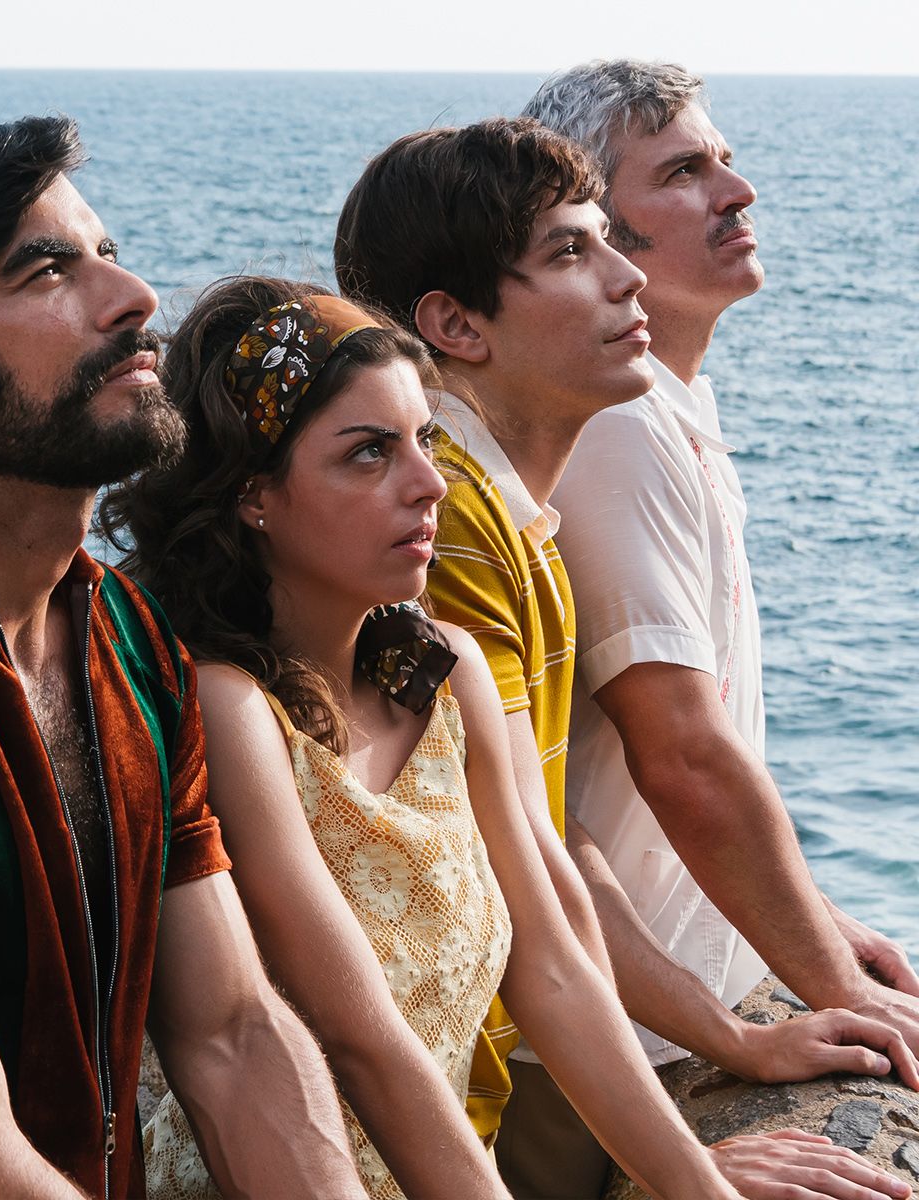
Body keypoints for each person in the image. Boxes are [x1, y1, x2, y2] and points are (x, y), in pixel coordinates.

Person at [0, 115, 366, 1200]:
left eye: (108, 251)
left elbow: (233, 1033)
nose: (133, 297)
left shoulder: (128, 638)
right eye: (48, 270)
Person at [335, 115, 917, 1200]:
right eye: (571, 250)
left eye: (609, 237)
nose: (626, 274)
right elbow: (536, 874)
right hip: (443, 1095)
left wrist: (751, 1026)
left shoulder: (515, 519)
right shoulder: (446, 531)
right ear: (454, 323)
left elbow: (557, 834)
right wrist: (715, 1106)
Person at [103, 274, 746, 1200]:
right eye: (369, 453)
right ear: (252, 494)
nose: (429, 483)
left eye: (426, 440)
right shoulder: (228, 711)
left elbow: (554, 972)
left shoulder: (448, 674)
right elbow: (361, 1039)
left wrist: (702, 1187)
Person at [513, 59, 919, 1194]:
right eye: (685, 171)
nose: (737, 192)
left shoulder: (666, 404)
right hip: (605, 1037)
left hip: (655, 1002)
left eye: (725, 161)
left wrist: (814, 922)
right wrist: (836, 987)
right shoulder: (621, 425)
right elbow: (680, 753)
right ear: (597, 231)